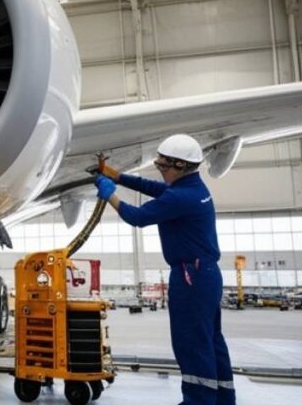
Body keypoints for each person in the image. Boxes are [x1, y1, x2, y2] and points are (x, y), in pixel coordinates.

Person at [95, 134, 235, 405]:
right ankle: (222, 398)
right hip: (205, 274)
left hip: (190, 276)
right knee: (210, 341)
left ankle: (198, 400)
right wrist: (116, 176)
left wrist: (110, 194)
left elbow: (138, 217)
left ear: (181, 165)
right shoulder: (193, 188)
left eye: (164, 167)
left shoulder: (181, 198)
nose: (160, 171)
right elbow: (150, 187)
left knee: (191, 343)